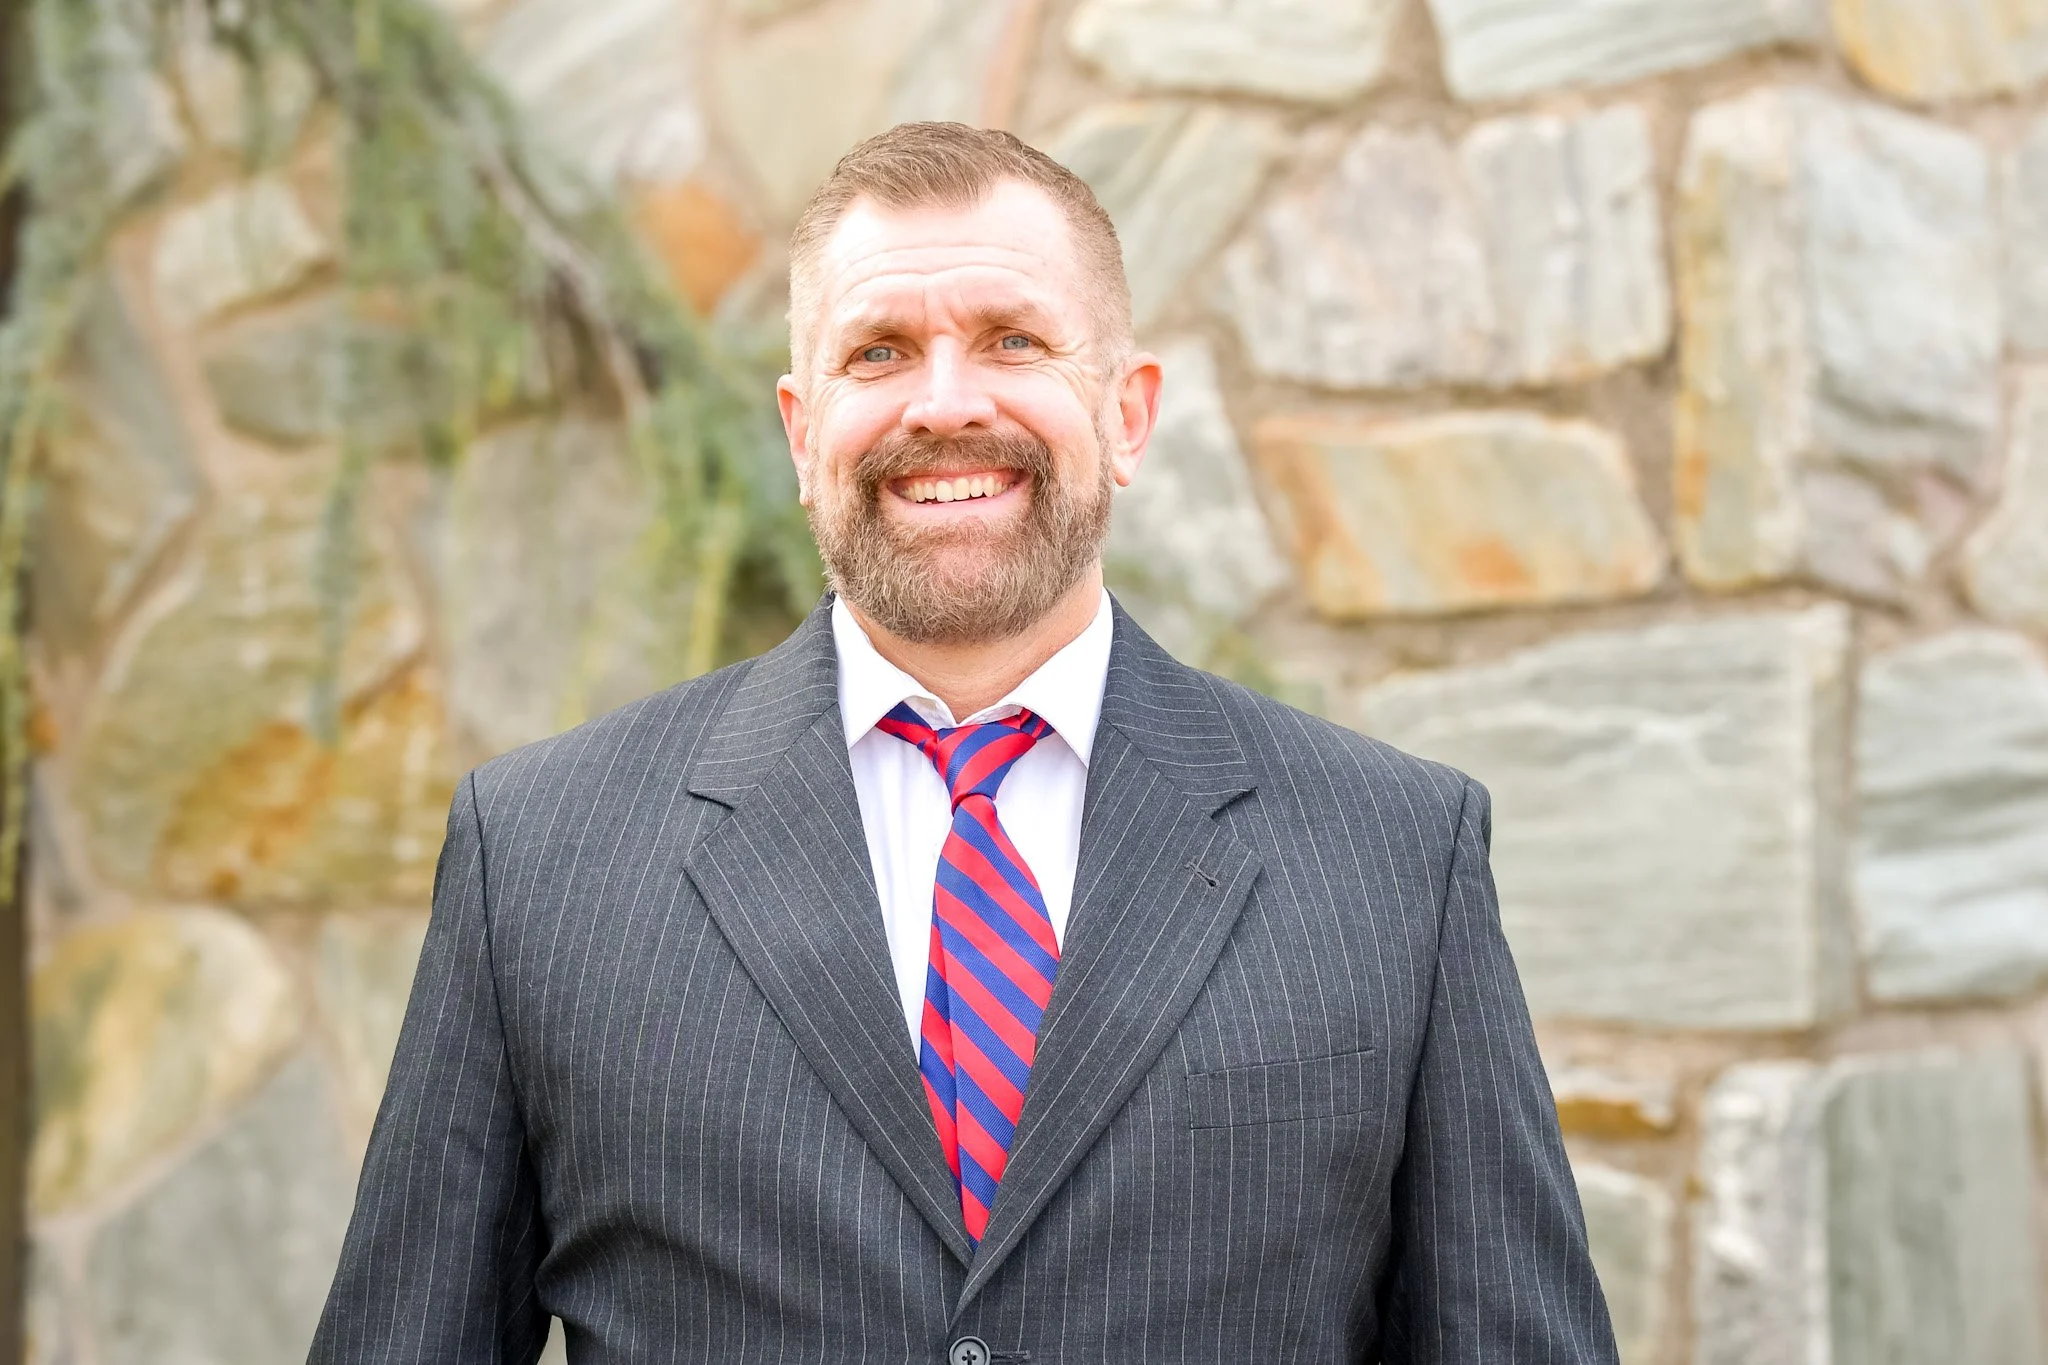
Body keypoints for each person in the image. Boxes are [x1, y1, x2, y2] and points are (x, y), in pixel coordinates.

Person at [311, 121, 1618, 1364]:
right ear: (798, 426)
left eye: (1012, 340)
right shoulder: (543, 862)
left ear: (1128, 412)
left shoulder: (1391, 860)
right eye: (878, 352)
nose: (944, 402)